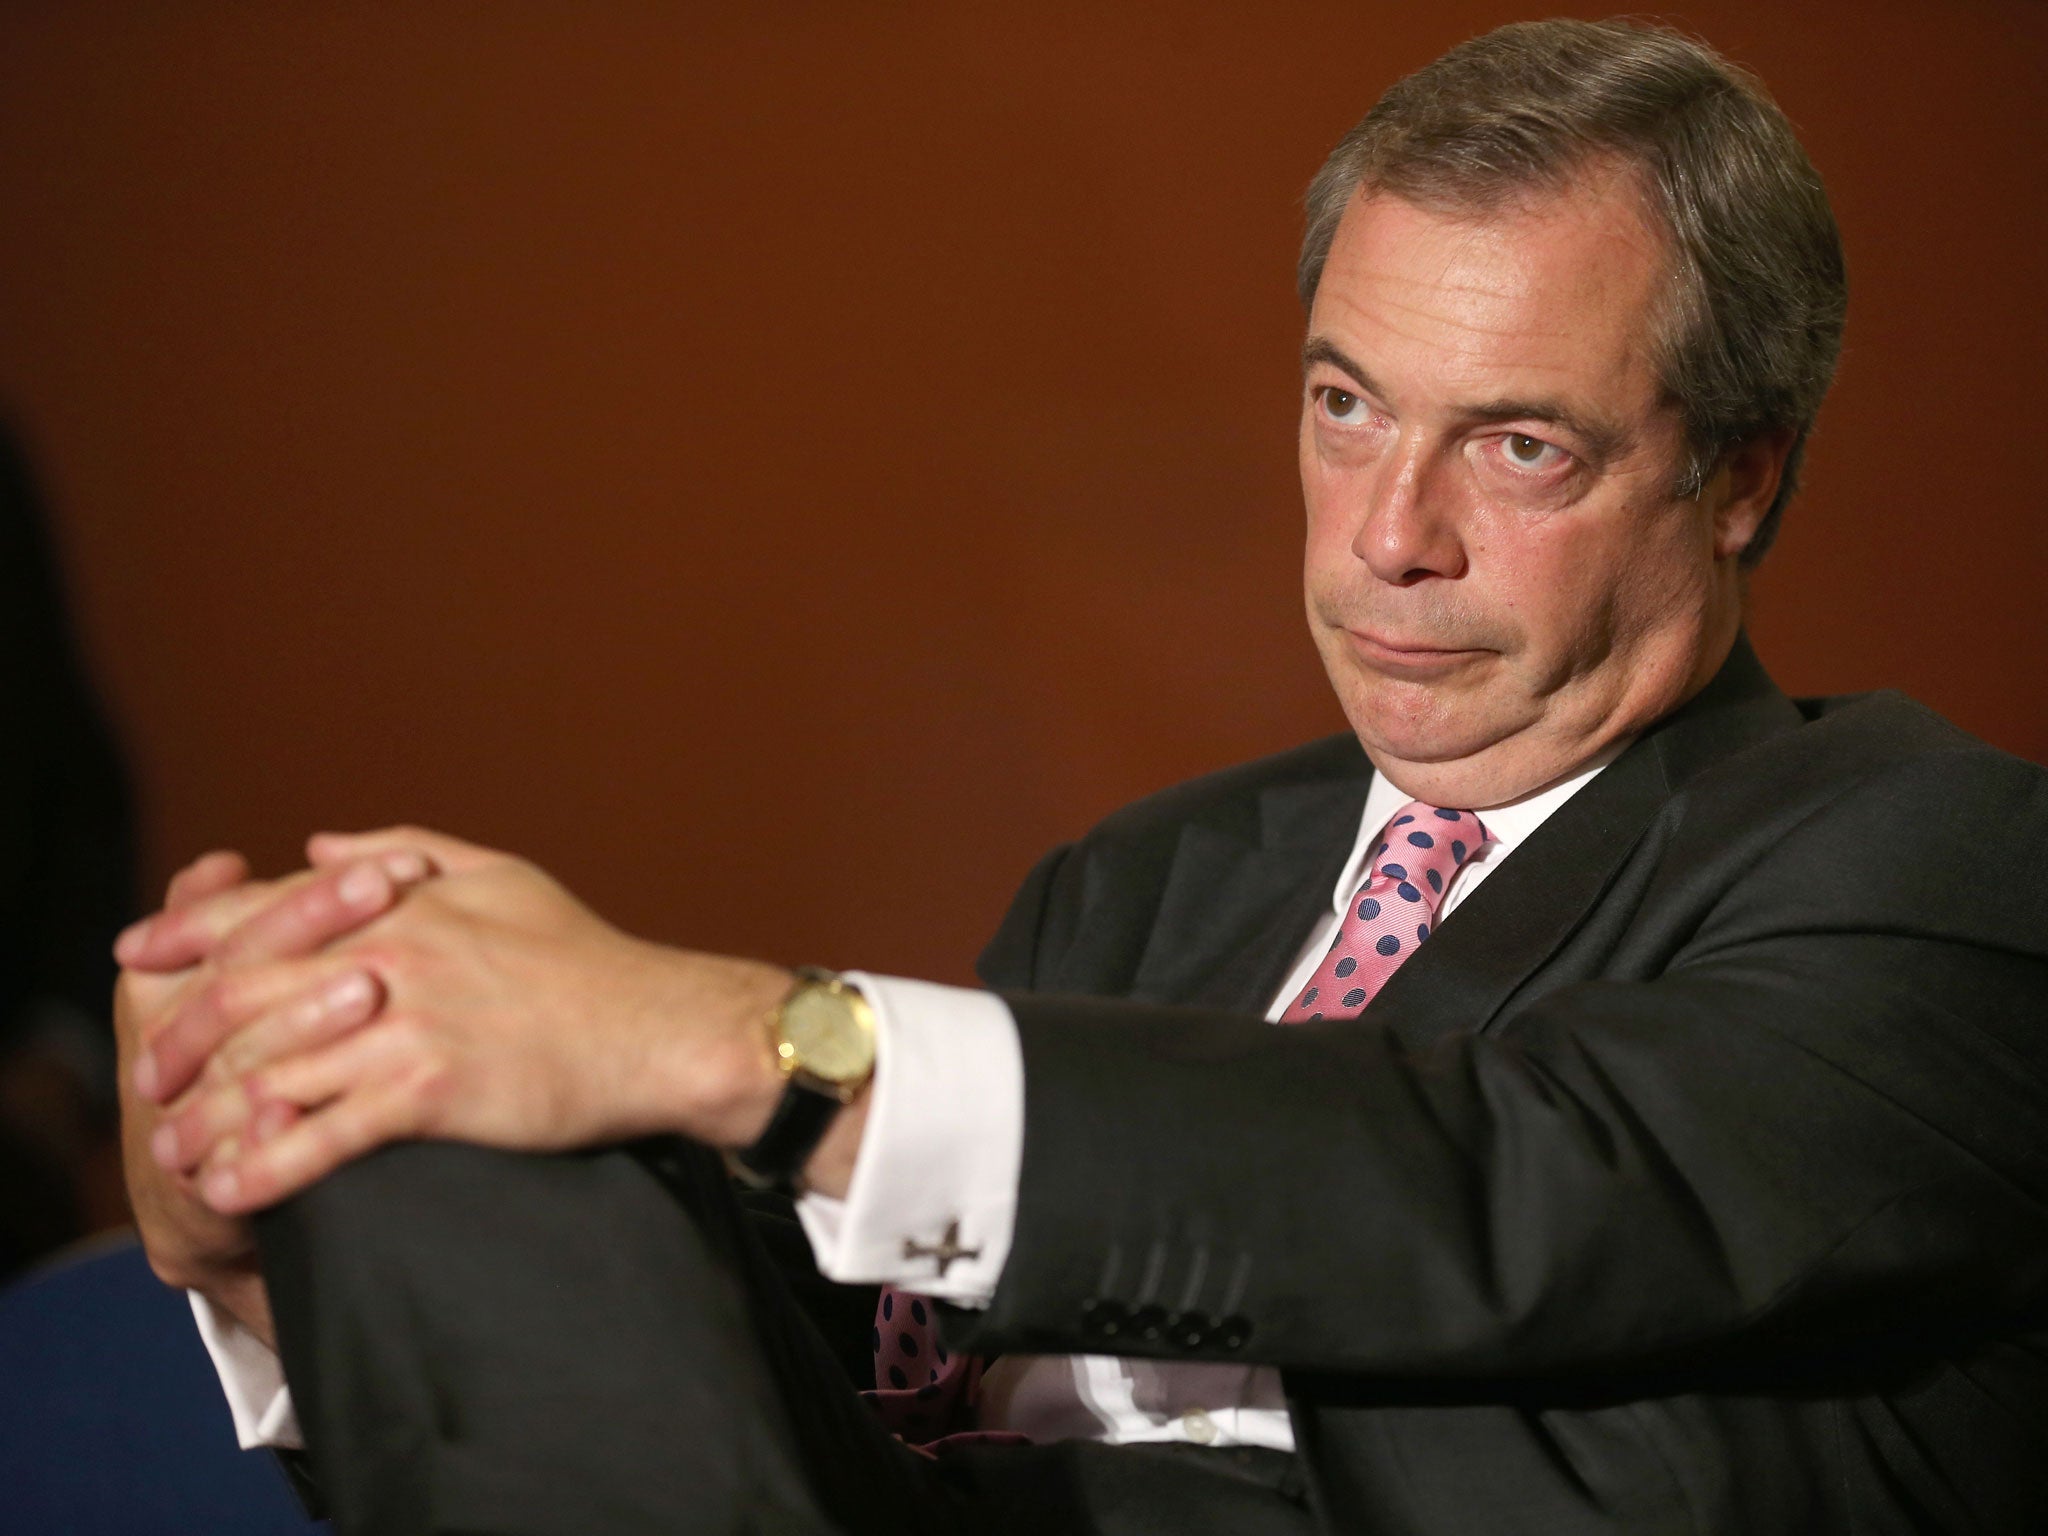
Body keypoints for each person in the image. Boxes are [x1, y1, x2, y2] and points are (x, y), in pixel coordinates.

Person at [114, 18, 2048, 1535]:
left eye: (1519, 446)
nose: (1388, 537)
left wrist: (739, 1036)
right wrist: (285, 1203)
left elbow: (1495, 1178)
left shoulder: (1933, 857)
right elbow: (763, 1382)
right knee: (427, 1088)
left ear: (1738, 478)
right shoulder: (1143, 884)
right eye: (1346, 406)